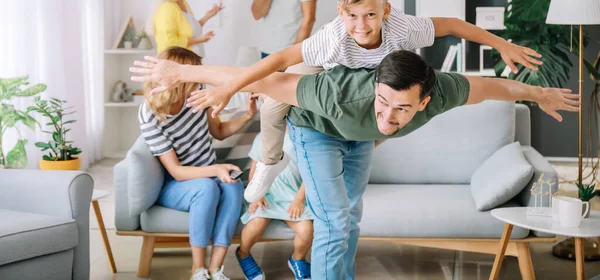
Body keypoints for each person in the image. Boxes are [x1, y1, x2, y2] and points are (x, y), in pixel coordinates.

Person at [130, 50, 579, 280]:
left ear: (425, 101)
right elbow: (264, 76)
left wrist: (540, 94)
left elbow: (491, 87)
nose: (389, 117)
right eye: (382, 103)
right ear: (373, 90)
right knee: (333, 218)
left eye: (402, 110)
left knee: (351, 217)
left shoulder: (443, 92)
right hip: (314, 130)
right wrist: (185, 71)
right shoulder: (338, 93)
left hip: (357, 139)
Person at [192, 0, 544, 204]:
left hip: (379, 82)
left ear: (386, 10)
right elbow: (280, 61)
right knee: (273, 102)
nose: (362, 25)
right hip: (328, 68)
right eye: (353, 16)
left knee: (379, 121)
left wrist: (501, 43)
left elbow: (452, 24)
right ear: (341, 12)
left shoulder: (403, 28)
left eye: (371, 15)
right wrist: (231, 86)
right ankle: (270, 162)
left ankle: (355, 146)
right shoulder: (332, 37)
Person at [138, 46, 257, 280]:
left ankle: (215, 269)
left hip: (208, 177)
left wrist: (247, 116)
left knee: (232, 185)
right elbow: (176, 171)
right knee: (206, 187)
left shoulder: (198, 94)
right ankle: (198, 269)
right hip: (176, 185)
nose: (199, 77)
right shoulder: (150, 113)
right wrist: (215, 169)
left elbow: (220, 131)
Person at [236, 132, 313, 280]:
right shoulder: (263, 137)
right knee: (255, 224)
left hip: (292, 197)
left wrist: (299, 199)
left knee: (306, 230)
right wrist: (257, 196)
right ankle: (243, 253)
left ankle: (298, 259)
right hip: (267, 196)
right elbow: (254, 172)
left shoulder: (304, 136)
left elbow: (310, 174)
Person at [152, 0, 224, 57]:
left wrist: (207, 16)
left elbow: (190, 30)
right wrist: (200, 40)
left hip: (190, 61)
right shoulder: (167, 8)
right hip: (176, 63)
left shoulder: (183, 4)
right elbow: (169, 42)